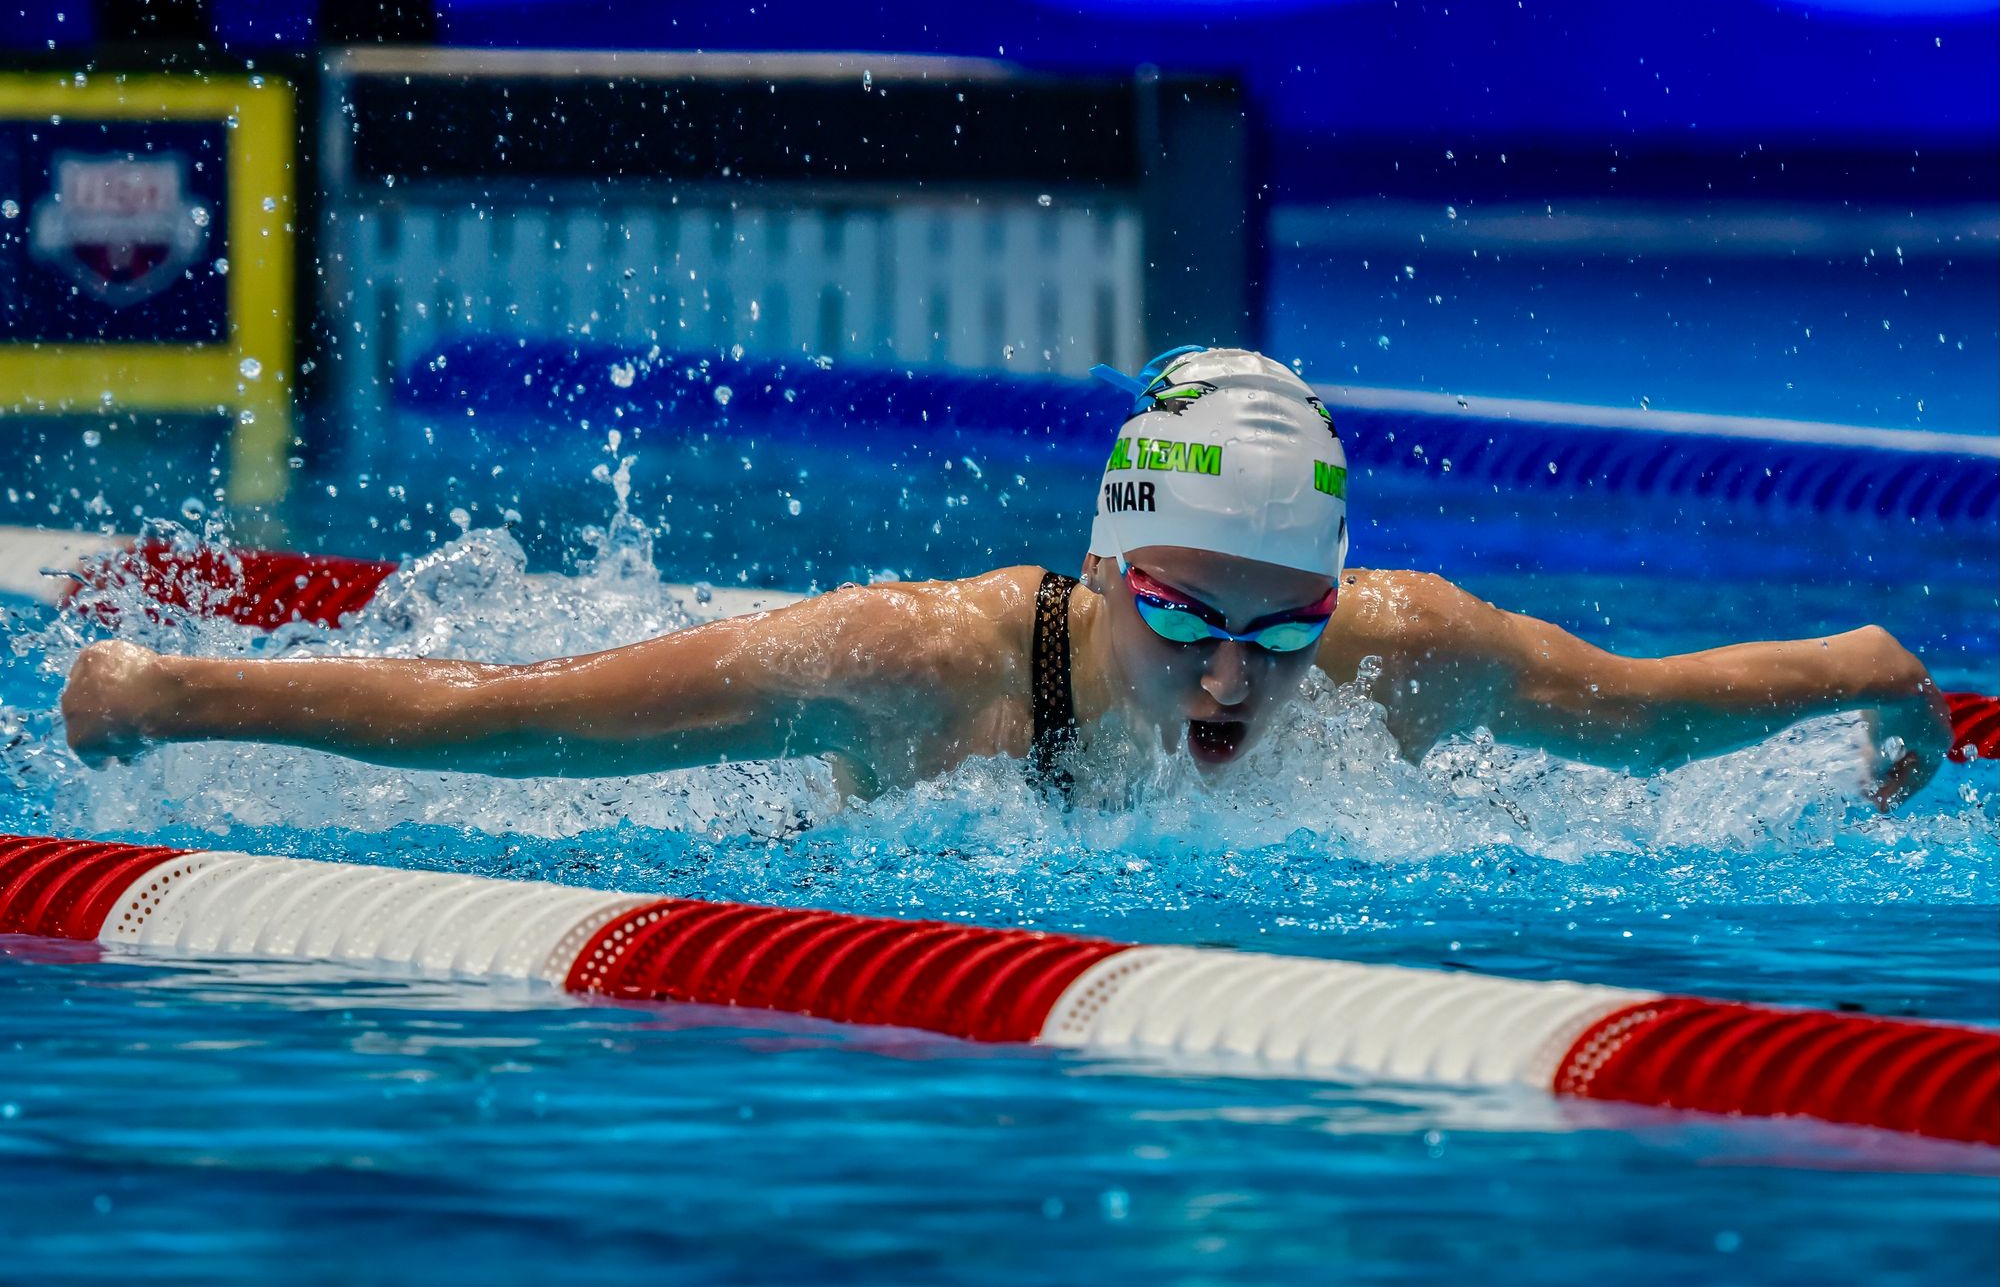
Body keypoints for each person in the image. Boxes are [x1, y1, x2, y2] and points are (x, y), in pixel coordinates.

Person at [61, 347, 1950, 808]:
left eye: (1277, 626)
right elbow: (514, 727)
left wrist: (1881, 676)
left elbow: (1652, 726)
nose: (1233, 679)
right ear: (1108, 563)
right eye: (1186, 616)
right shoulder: (914, 660)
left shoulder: (1405, 656)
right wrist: (173, 689)